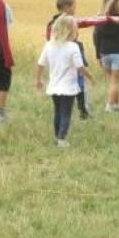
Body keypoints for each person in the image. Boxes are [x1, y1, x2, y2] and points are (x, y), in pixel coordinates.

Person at [45, 0, 119, 119]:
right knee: (80, 84)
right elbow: (89, 21)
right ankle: (83, 111)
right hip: (72, 56)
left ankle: (64, 110)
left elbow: (48, 41)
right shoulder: (71, 22)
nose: (75, 10)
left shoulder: (51, 23)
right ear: (67, 8)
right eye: (73, 7)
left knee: (60, 82)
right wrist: (110, 19)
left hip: (57, 59)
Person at [35, 15, 94, 147]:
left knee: (57, 112)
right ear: (70, 31)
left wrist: (38, 79)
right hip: (68, 88)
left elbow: (40, 64)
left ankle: (57, 136)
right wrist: (90, 77)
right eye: (76, 29)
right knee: (66, 113)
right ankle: (62, 138)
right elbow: (80, 67)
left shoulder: (49, 45)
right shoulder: (73, 47)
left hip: (54, 87)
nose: (77, 32)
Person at [93, 0, 119, 112]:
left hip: (104, 54)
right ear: (113, 4)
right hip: (118, 54)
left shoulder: (100, 18)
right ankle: (110, 105)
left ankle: (117, 104)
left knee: (111, 81)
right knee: (115, 82)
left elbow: (96, 37)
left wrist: (98, 56)